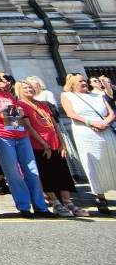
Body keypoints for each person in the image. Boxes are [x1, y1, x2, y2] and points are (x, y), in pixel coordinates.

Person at [0, 67, 52, 218]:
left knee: (32, 171)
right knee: (13, 172)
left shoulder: (8, 95)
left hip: (21, 133)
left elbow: (15, 113)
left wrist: (20, 112)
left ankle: (40, 206)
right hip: (2, 135)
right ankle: (24, 206)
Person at [16, 79, 82, 217]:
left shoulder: (42, 104)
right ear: (19, 90)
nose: (29, 90)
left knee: (62, 172)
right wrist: (43, 143)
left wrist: (62, 143)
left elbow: (54, 123)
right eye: (25, 88)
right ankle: (56, 202)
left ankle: (68, 202)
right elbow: (28, 126)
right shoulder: (21, 104)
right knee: (47, 173)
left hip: (55, 142)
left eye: (30, 87)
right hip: (39, 145)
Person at [60, 73, 116, 215]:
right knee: (94, 163)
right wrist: (91, 122)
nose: (84, 83)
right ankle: (101, 198)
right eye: (80, 81)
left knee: (113, 160)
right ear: (72, 84)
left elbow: (112, 113)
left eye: (85, 80)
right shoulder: (67, 96)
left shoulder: (97, 96)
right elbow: (71, 114)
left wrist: (104, 123)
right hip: (86, 132)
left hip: (105, 130)